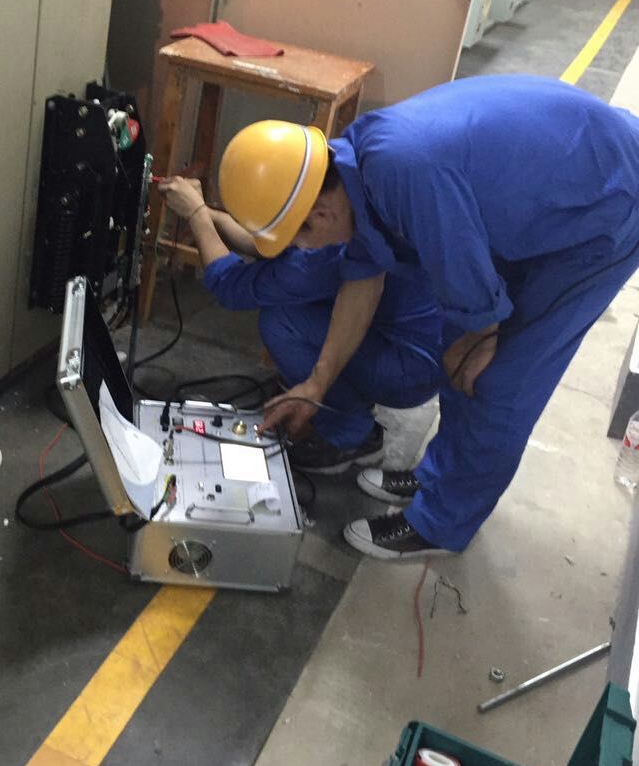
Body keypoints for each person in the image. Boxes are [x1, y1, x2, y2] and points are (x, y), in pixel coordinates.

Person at [201, 77, 639, 561]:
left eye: (296, 239)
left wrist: (481, 334)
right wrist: (317, 384)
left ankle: (441, 524)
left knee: (496, 379)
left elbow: (475, 309)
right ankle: (439, 478)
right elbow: (363, 282)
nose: (303, 249)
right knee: (459, 351)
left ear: (319, 215)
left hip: (604, 207)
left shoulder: (403, 170)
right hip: (562, 182)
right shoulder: (358, 166)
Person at [157, 172, 443, 474]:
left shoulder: (323, 257)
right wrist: (203, 209)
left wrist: (197, 214)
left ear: (319, 216)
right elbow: (264, 244)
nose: (290, 240)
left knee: (281, 321)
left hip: (409, 371)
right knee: (293, 295)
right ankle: (344, 397)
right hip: (417, 337)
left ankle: (350, 434)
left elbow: (228, 285)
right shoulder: (339, 185)